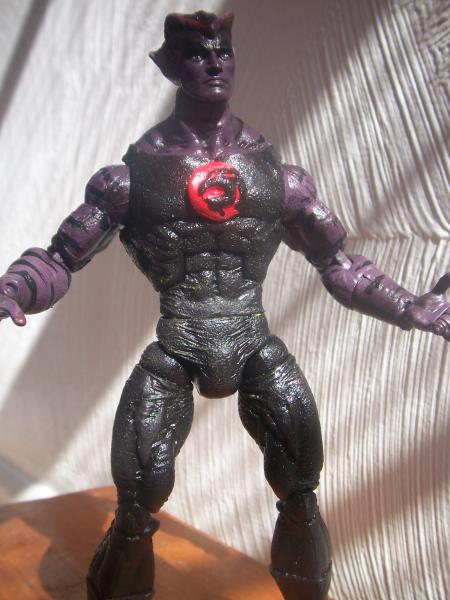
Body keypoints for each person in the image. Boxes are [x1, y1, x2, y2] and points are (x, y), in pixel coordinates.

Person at [0, 11, 448, 600]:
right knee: (138, 497)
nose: (214, 62)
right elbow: (61, 257)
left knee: (300, 488)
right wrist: (14, 288)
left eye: (223, 50)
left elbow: (339, 263)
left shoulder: (281, 179)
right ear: (168, 66)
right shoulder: (127, 180)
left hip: (252, 338)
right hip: (178, 343)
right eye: (195, 52)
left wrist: (409, 306)